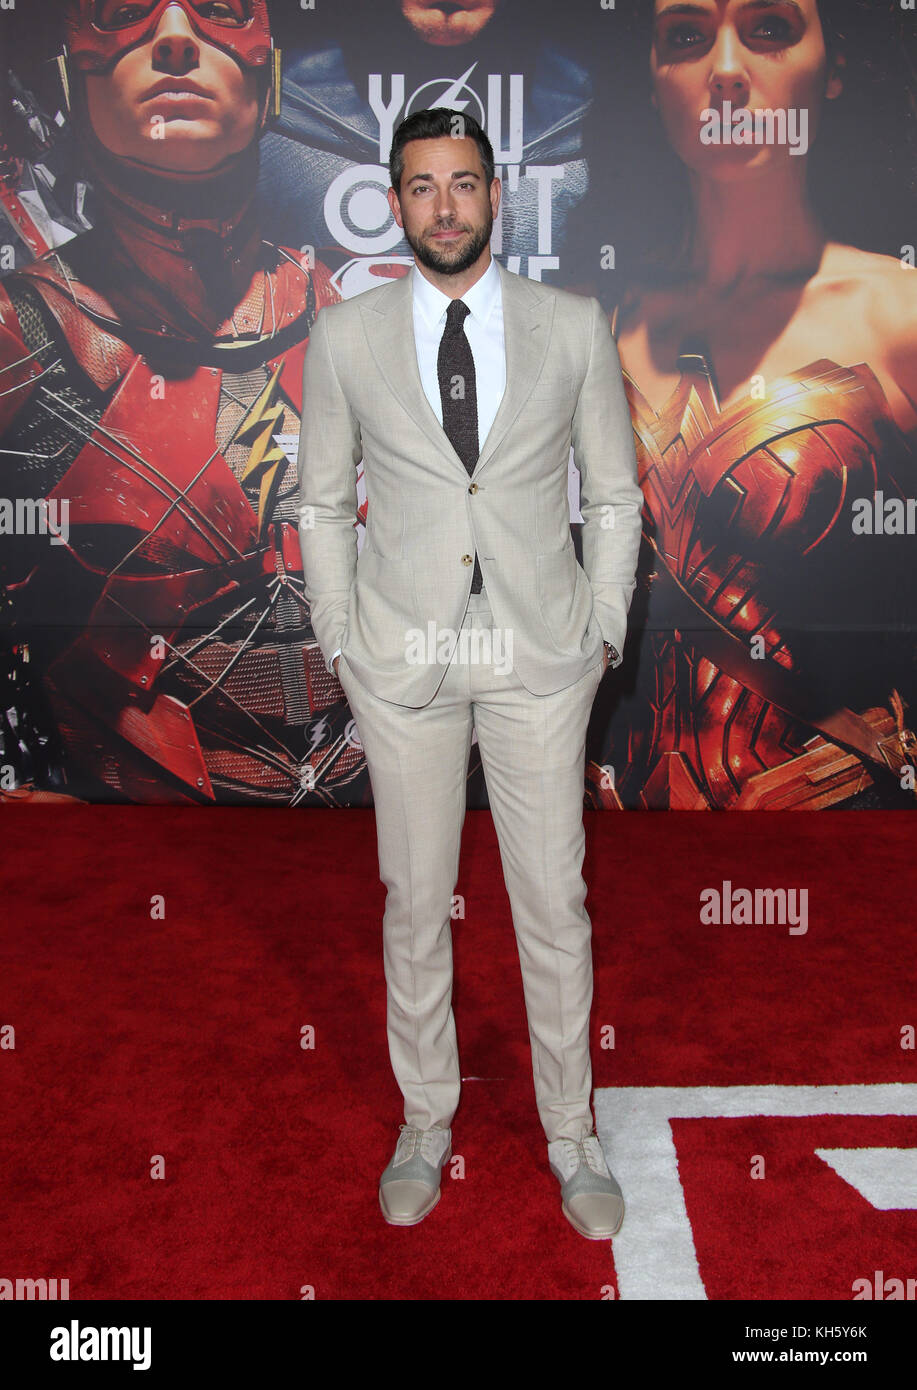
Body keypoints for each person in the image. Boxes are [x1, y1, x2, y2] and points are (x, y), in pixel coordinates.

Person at [297, 106, 643, 1237]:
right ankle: (425, 1118)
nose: (443, 205)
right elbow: (320, 504)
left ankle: (571, 1132)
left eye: (462, 183)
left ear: (495, 193)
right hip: (404, 655)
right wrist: (342, 637)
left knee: (552, 906)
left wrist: (599, 630)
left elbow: (612, 494)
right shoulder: (344, 337)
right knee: (413, 907)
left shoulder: (573, 325)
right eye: (420, 186)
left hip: (539, 655)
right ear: (394, 202)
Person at [0, 0, 365, 807]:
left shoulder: (354, 314)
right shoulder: (19, 335)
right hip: (128, 875)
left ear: (265, 68)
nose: (173, 38)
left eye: (219, 10)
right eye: (123, 11)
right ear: (70, 69)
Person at [577, 0, 917, 810]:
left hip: (836, 843)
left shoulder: (896, 316)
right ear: (654, 83)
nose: (725, 70)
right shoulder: (595, 319)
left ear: (833, 69)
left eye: (769, 27)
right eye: (686, 37)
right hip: (617, 844)